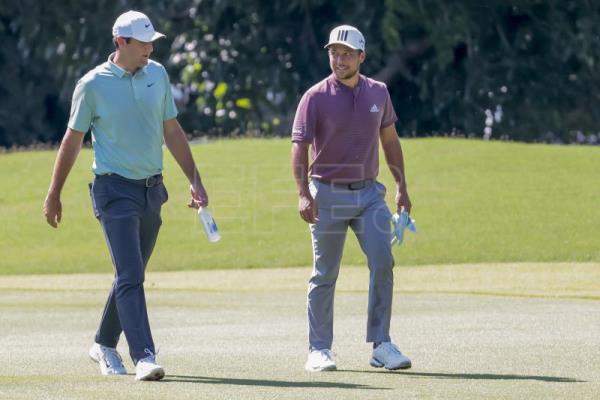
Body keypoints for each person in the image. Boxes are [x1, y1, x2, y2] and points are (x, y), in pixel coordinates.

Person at [43, 10, 209, 381]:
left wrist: (194, 178)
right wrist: (54, 193)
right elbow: (73, 140)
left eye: (152, 42)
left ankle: (103, 343)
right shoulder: (92, 84)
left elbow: (171, 128)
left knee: (129, 274)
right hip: (113, 189)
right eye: (143, 42)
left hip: (152, 190)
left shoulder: (158, 74)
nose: (150, 48)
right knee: (131, 273)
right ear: (121, 42)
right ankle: (144, 356)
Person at [291, 25, 413, 372]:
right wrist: (303, 194)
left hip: (369, 194)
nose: (339, 59)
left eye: (346, 54)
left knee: (382, 261)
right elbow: (298, 148)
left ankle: (381, 344)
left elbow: (390, 141)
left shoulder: (379, 92)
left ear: (361, 56)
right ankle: (318, 349)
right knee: (325, 273)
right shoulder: (315, 96)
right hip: (326, 193)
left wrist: (402, 186)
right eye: (333, 53)